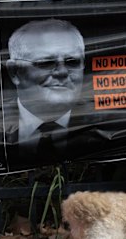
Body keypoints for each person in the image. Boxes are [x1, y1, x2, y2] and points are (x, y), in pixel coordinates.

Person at [5, 19, 85, 164]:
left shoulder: (111, 125)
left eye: (72, 62)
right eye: (46, 63)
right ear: (15, 72)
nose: (61, 72)